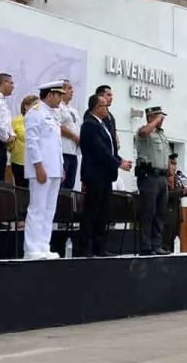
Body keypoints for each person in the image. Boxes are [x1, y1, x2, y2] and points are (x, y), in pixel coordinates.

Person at [78, 93, 130, 257]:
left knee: (103, 211)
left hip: (106, 175)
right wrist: (117, 163)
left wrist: (120, 160)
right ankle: (85, 247)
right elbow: (99, 150)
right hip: (94, 174)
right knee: (92, 211)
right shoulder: (89, 125)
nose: (108, 108)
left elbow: (111, 150)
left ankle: (99, 247)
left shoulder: (104, 124)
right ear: (96, 108)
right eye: (105, 106)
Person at [22, 80, 67, 260]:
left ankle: (43, 245)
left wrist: (61, 166)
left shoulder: (53, 115)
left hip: (54, 168)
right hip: (41, 169)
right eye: (59, 96)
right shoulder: (36, 113)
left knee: (49, 210)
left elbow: (56, 144)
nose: (61, 100)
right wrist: (38, 166)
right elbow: (32, 142)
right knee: (37, 209)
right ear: (50, 95)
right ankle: (32, 248)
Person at [135, 105, 172, 256]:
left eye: (161, 117)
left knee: (161, 212)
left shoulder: (161, 135)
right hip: (148, 176)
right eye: (158, 116)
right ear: (150, 117)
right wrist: (154, 121)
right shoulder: (144, 131)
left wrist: (170, 174)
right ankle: (146, 246)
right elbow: (143, 132)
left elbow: (167, 155)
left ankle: (157, 244)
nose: (161, 120)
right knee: (148, 211)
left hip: (162, 177)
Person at [163, 153, 187, 252]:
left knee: (173, 244)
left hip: (176, 215)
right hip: (165, 215)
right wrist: (183, 191)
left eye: (175, 164)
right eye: (172, 164)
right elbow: (166, 194)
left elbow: (181, 192)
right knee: (164, 244)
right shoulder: (161, 178)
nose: (174, 167)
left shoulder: (176, 178)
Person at [8, 96, 40, 188]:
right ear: (26, 107)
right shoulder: (17, 120)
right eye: (35, 105)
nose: (37, 108)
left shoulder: (40, 121)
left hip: (35, 161)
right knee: (22, 189)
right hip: (20, 161)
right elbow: (24, 136)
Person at [54, 81, 80, 191]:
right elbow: (58, 126)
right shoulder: (57, 107)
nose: (72, 91)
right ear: (62, 90)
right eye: (69, 88)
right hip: (63, 151)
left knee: (70, 185)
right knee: (61, 186)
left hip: (73, 152)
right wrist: (74, 137)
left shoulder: (73, 109)